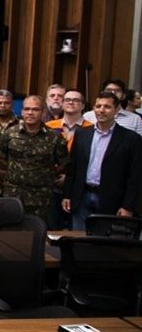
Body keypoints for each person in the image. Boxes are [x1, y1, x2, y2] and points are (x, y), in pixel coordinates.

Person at [63, 92, 142, 229]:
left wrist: (128, 206)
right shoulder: (82, 134)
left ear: (117, 110)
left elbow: (135, 176)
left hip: (111, 200)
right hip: (82, 196)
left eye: (107, 107)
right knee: (78, 238)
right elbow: (73, 168)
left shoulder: (131, 139)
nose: (101, 110)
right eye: (98, 106)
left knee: (103, 240)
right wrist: (67, 195)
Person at [0, 95, 68, 222]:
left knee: (37, 230)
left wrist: (44, 174)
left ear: (43, 112)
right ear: (22, 111)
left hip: (41, 196)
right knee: (11, 229)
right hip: (13, 193)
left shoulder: (55, 137)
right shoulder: (10, 133)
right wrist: (15, 173)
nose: (30, 113)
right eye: (27, 109)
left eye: (35, 109)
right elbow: (1, 160)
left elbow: (63, 164)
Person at [45, 89, 93, 229]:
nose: (71, 102)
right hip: (51, 184)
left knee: (76, 229)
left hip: (78, 187)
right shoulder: (49, 126)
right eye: (67, 99)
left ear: (83, 105)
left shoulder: (92, 129)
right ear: (62, 103)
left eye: (76, 100)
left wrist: (69, 177)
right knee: (52, 227)